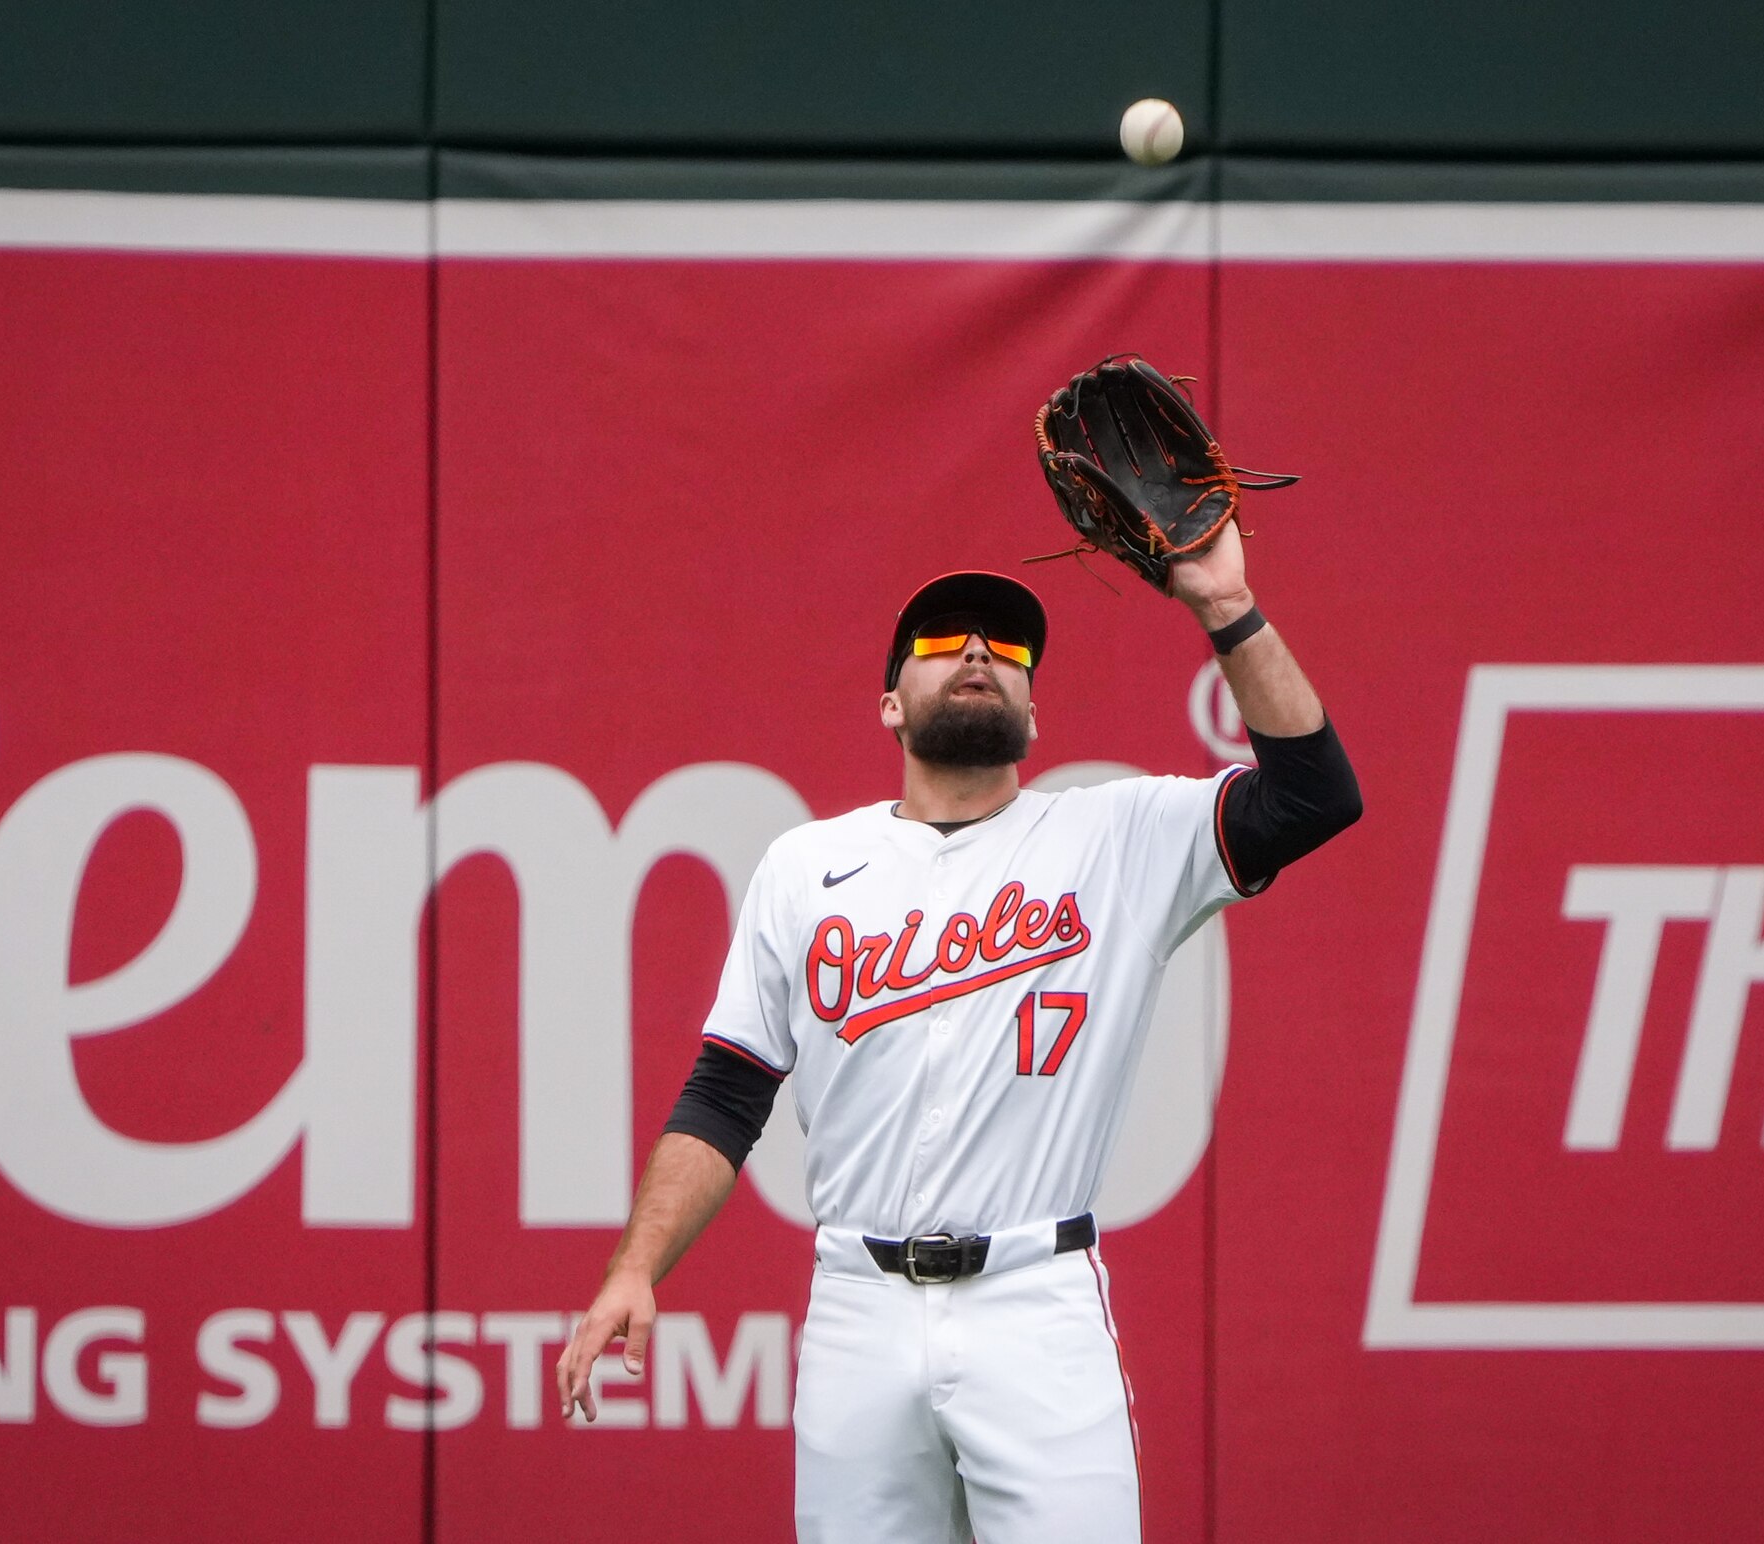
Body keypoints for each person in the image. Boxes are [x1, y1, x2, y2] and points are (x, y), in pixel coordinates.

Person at [555, 522, 1361, 1542]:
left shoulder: (1115, 837)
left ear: (1034, 704)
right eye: (942, 642)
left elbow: (1314, 794)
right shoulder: (807, 865)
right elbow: (726, 1090)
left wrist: (1222, 604)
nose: (979, 652)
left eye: (1007, 648)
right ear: (891, 703)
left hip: (1035, 1299)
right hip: (860, 1304)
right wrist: (637, 1263)